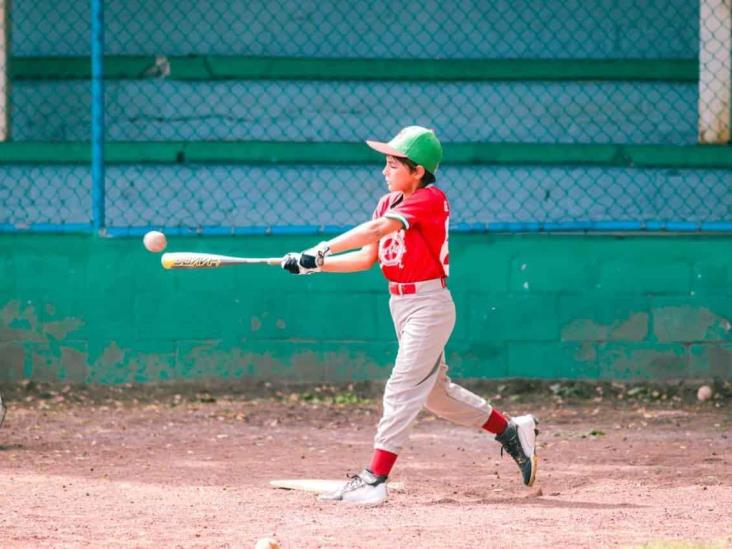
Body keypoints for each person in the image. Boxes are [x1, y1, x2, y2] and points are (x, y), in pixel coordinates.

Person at [281, 126, 539, 505]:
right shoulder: (388, 202)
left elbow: (375, 230)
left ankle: (374, 479)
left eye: (393, 164)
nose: (385, 171)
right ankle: (511, 431)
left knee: (402, 386)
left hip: (429, 306)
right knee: (435, 395)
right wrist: (316, 266)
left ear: (417, 170)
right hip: (400, 304)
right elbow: (367, 257)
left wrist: (320, 248)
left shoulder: (429, 199)